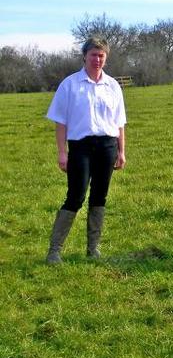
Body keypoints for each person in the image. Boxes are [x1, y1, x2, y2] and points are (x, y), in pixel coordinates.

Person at [45, 37, 127, 264]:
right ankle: (54, 250)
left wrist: (121, 152)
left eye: (101, 55)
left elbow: (119, 122)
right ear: (84, 56)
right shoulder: (69, 85)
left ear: (106, 58)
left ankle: (93, 248)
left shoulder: (112, 86)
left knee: (100, 196)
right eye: (93, 54)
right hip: (81, 148)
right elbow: (60, 122)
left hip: (107, 146)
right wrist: (62, 153)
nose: (97, 59)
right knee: (76, 195)